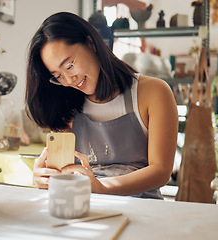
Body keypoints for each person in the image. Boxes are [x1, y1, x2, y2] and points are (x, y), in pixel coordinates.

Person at [25, 12, 178, 199]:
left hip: (142, 209)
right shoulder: (66, 106)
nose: (68, 80)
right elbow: (64, 175)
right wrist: (43, 178)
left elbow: (161, 172)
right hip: (85, 207)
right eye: (58, 76)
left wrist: (102, 187)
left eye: (70, 66)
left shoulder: (153, 92)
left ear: (90, 43)